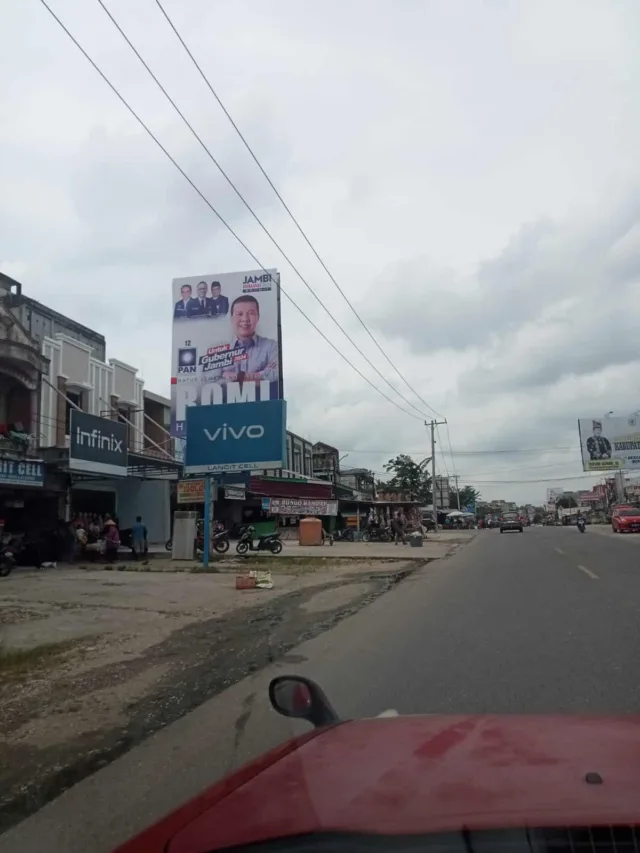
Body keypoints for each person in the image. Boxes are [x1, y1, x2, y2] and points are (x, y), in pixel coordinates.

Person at [215, 295, 279, 383]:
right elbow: (212, 379)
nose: (245, 319)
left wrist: (237, 376)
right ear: (231, 318)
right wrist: (260, 376)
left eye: (251, 313)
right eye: (239, 314)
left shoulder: (271, 346)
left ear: (258, 317)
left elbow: (275, 374)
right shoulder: (219, 350)